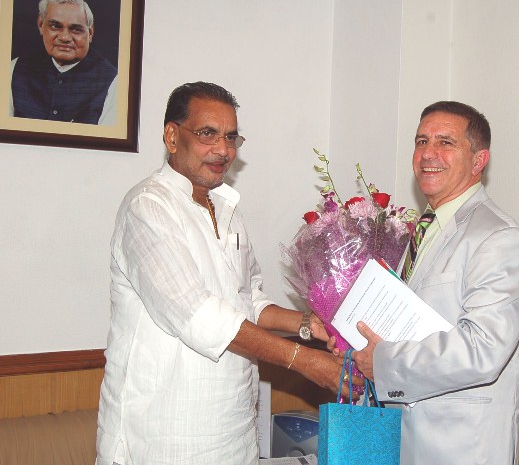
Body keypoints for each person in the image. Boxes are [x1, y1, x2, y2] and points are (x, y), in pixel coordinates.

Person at [96, 82, 349, 465]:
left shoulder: (226, 209)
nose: (223, 150)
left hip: (232, 435)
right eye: (207, 134)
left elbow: (247, 300)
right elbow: (198, 316)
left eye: (231, 137)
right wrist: (305, 361)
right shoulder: (148, 208)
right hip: (162, 440)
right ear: (171, 136)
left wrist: (307, 324)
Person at [352, 101, 519, 464]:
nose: (427, 154)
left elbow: (483, 349)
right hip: (399, 437)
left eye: (445, 142)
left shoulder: (499, 237)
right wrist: (351, 343)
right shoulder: (421, 229)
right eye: (421, 141)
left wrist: (384, 362)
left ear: (479, 161)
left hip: (460, 447)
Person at [9, 0, 117, 125]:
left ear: (90, 33)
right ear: (41, 25)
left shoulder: (113, 83)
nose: (65, 37)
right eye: (55, 26)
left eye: (76, 29)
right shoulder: (14, 69)